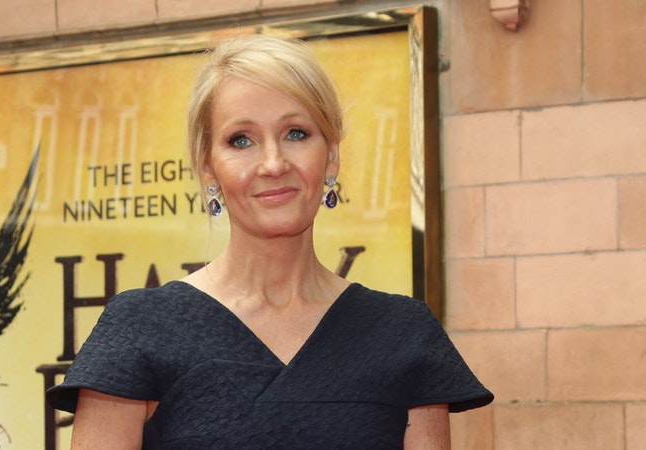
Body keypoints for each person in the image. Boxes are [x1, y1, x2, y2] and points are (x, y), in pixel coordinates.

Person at [47, 34, 493, 449]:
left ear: (331, 155)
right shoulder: (139, 328)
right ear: (208, 167)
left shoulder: (403, 333)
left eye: (296, 133)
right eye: (241, 140)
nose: (273, 164)